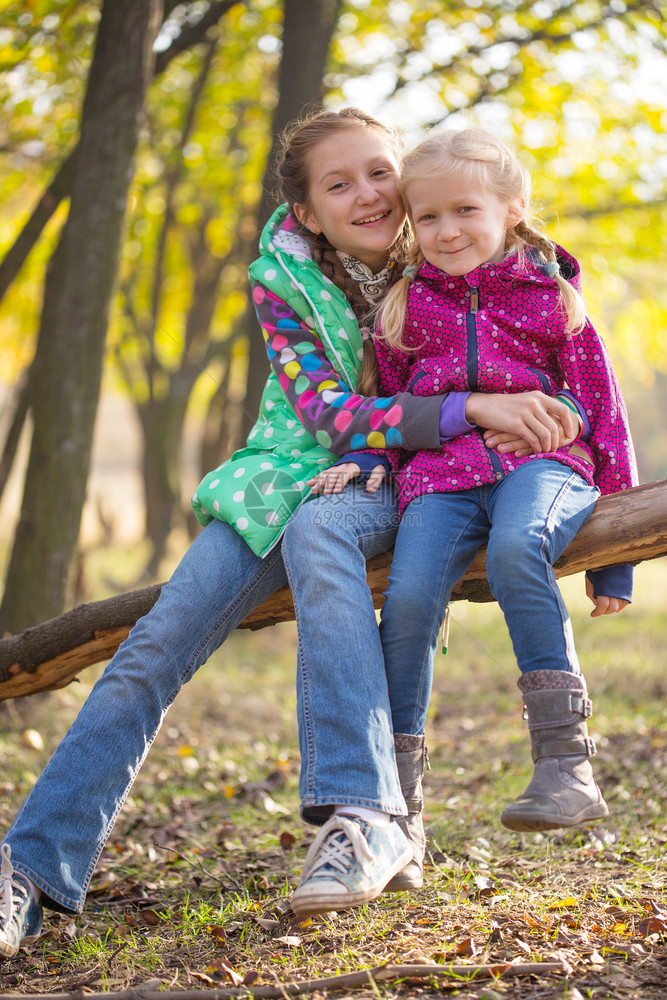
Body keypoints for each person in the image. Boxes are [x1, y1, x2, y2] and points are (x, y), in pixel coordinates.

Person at [0, 110, 584, 958]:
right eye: (338, 185)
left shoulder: (453, 236)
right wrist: (468, 404)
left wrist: (516, 423)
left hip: (406, 476)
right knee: (151, 648)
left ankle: (365, 813)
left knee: (324, 530)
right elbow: (325, 409)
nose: (369, 195)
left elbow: (549, 312)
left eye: (379, 171)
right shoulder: (283, 278)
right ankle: (28, 867)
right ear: (308, 211)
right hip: (283, 473)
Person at [299, 128, 636, 899]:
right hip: (438, 481)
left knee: (521, 548)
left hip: (541, 467)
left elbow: (604, 416)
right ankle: (400, 814)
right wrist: (374, 461)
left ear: (511, 210)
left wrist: (615, 560)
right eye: (431, 217)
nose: (448, 231)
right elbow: (395, 410)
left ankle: (564, 764)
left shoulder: (551, 298)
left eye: (466, 210)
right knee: (409, 600)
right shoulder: (406, 309)